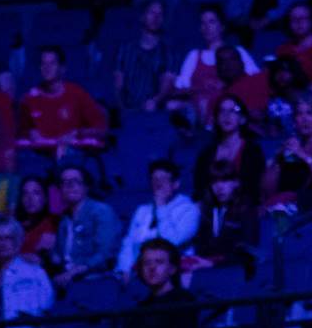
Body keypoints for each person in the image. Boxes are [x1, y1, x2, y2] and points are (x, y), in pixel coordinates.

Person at [16, 47, 108, 162]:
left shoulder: (77, 94)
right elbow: (19, 132)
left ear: (62, 68)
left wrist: (76, 134)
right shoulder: (29, 98)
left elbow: (101, 129)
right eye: (43, 63)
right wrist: (30, 133)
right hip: (40, 158)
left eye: (52, 63)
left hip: (74, 157)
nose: (47, 68)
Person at [116, 158, 200, 275]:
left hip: (175, 271)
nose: (158, 184)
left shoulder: (189, 209)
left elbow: (171, 242)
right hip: (140, 270)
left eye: (163, 179)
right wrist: (124, 268)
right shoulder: (143, 210)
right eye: (154, 179)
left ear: (176, 184)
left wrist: (161, 207)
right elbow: (130, 243)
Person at [49, 162, 121, 292]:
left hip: (96, 281)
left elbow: (105, 254)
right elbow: (59, 256)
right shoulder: (64, 219)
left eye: (76, 181)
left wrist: (74, 272)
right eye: (65, 182)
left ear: (86, 186)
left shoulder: (101, 211)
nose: (70, 186)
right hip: (68, 283)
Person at [114, 0, 174, 115]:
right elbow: (118, 84)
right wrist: (122, 110)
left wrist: (155, 101)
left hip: (154, 111)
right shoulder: (125, 50)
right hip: (128, 110)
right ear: (142, 16)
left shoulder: (167, 52)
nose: (156, 17)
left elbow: (166, 85)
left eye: (160, 14)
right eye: (152, 12)